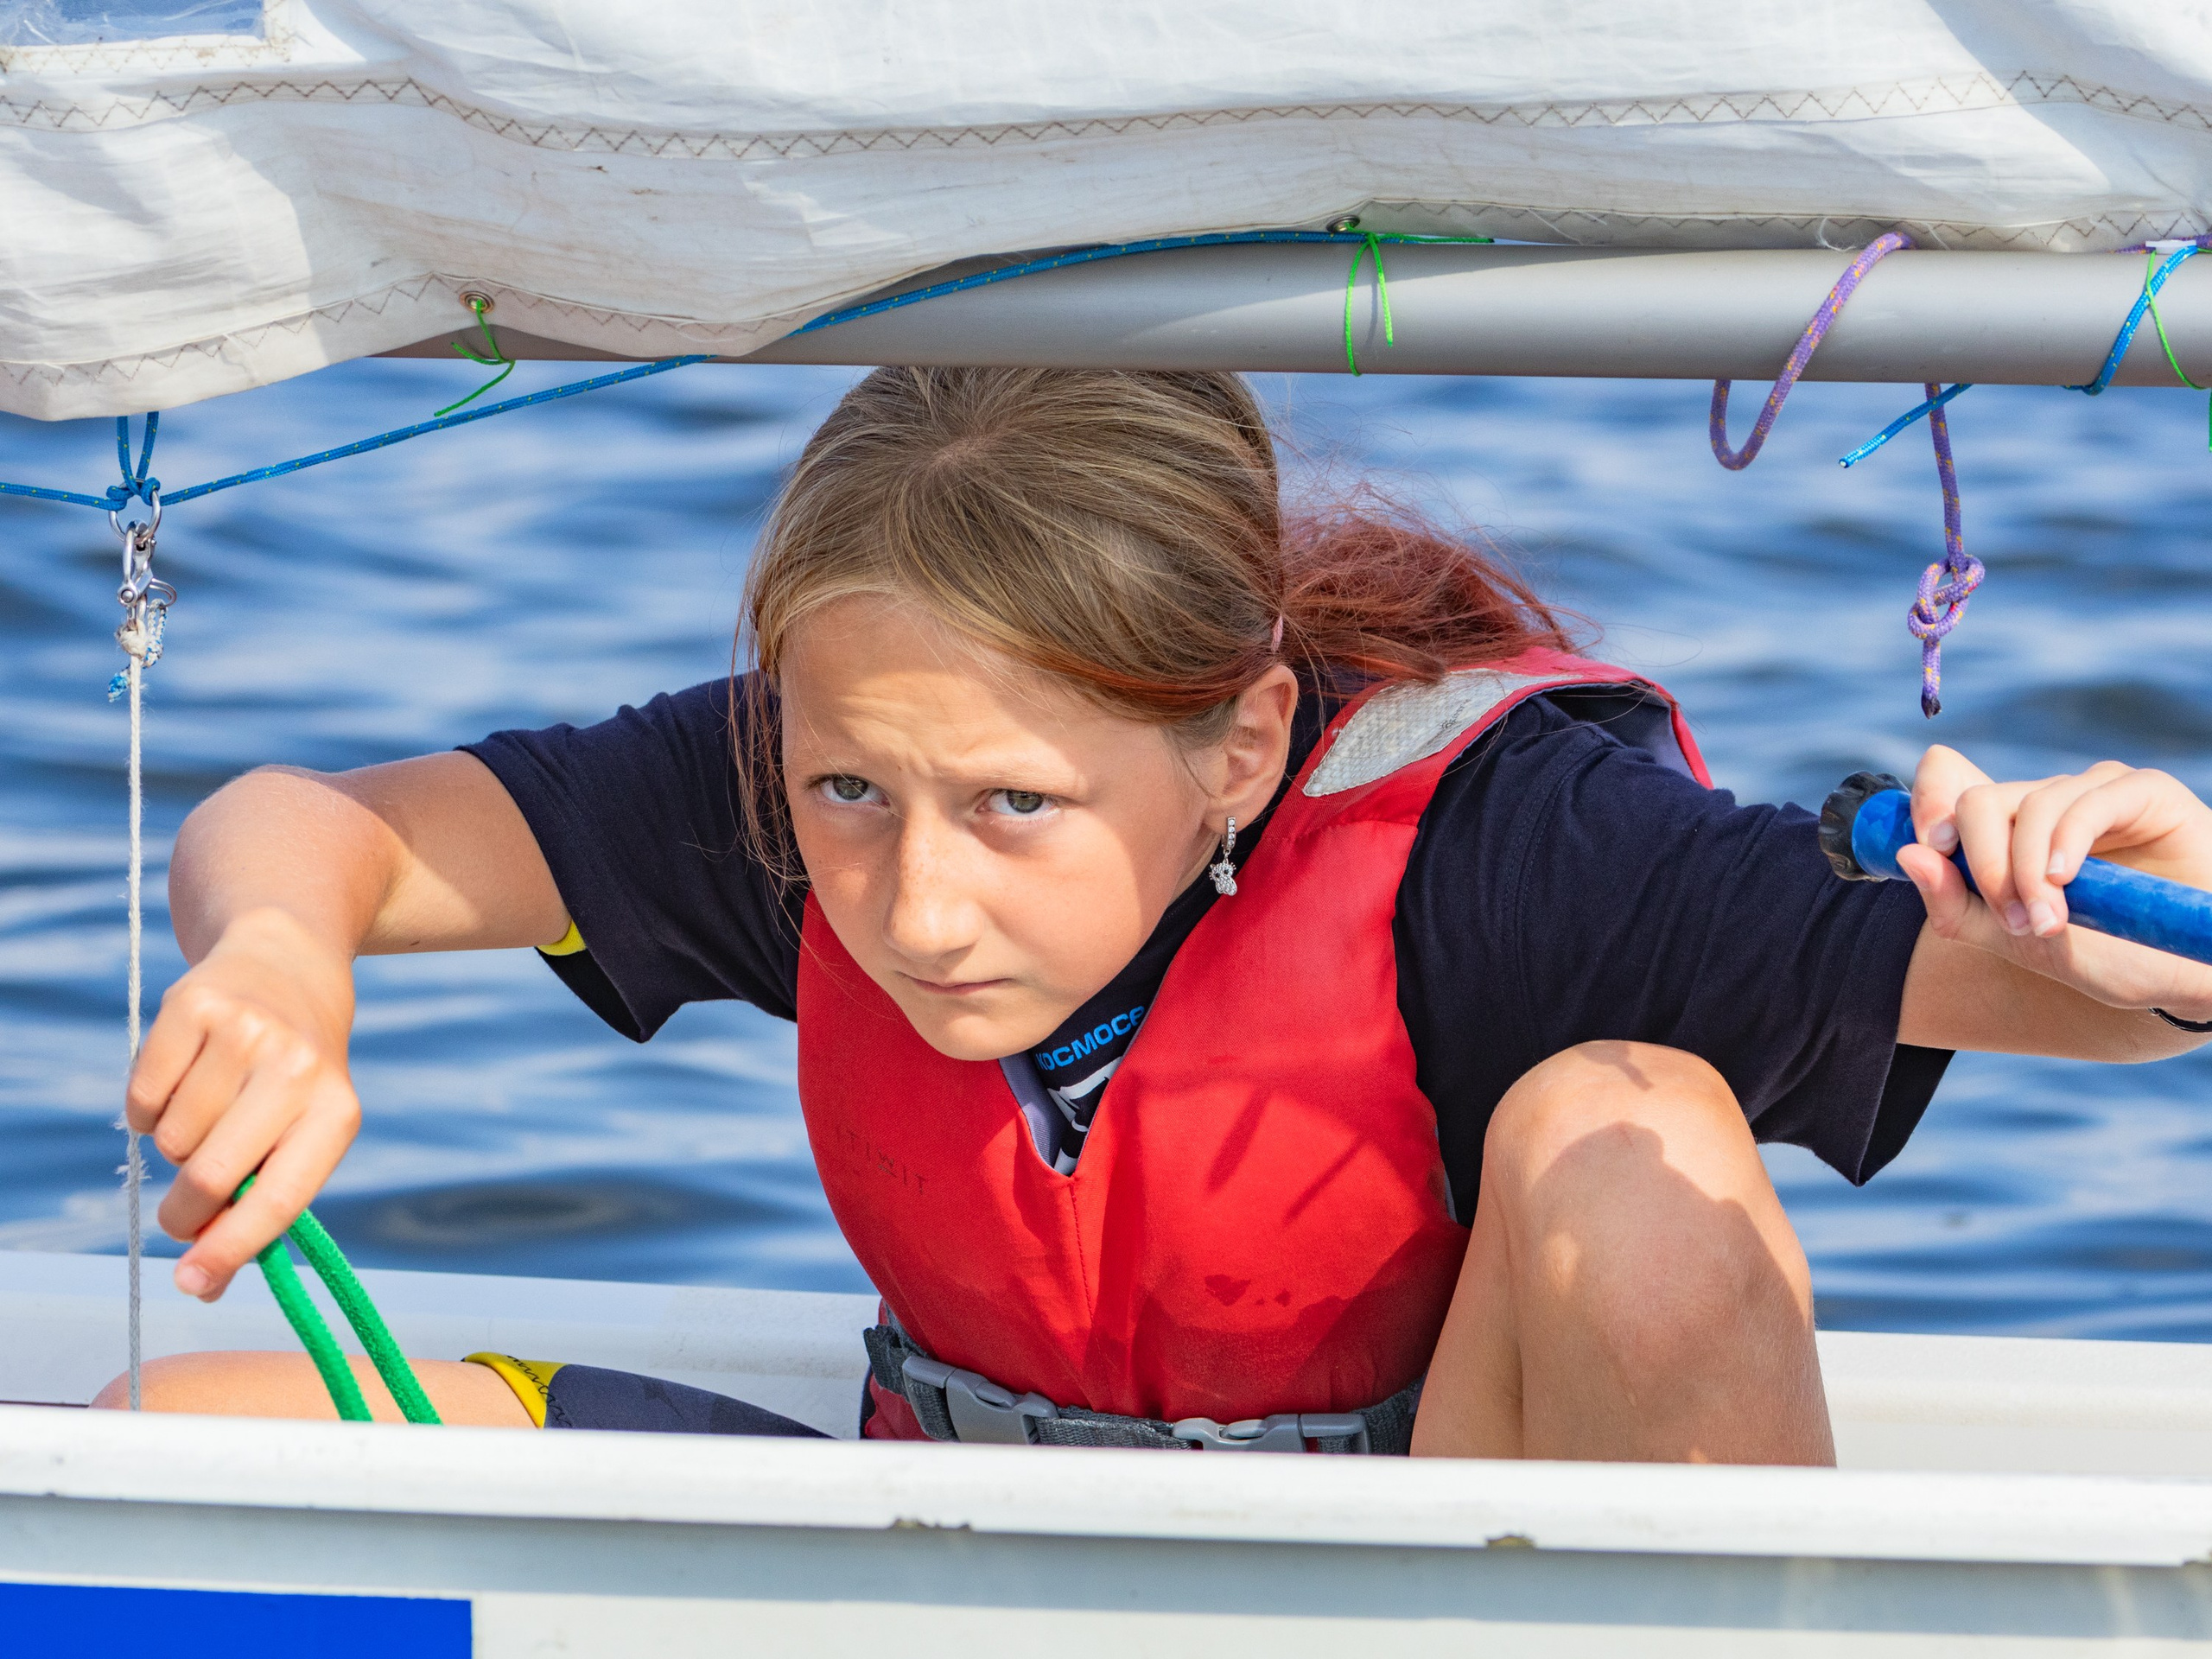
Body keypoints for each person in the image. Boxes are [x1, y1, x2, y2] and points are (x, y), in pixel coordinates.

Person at [95, 367, 2212, 1462]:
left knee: (1624, 1131)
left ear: (1236, 740)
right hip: (967, 1529)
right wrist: (283, 958)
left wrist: (2153, 896)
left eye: (1013, 808)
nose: (914, 900)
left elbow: (2118, 1002)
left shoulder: (1513, 848)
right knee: (168, 1465)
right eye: (853, 792)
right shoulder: (810, 774)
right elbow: (310, 820)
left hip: (1436, 1564)